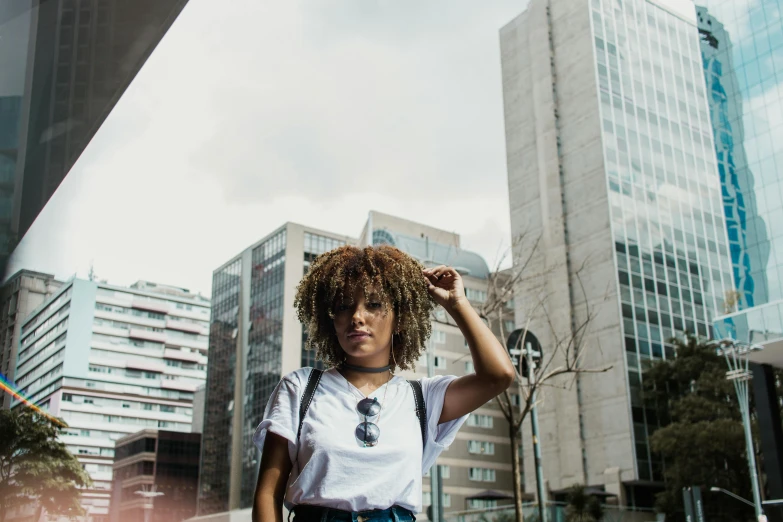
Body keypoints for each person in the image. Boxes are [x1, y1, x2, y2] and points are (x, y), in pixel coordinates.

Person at [251, 245, 515, 522]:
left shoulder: (424, 398)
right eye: (344, 306)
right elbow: (267, 495)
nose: (356, 316)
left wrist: (456, 303)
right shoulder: (301, 388)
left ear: (399, 319)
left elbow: (498, 376)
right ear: (332, 319)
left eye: (374, 304)